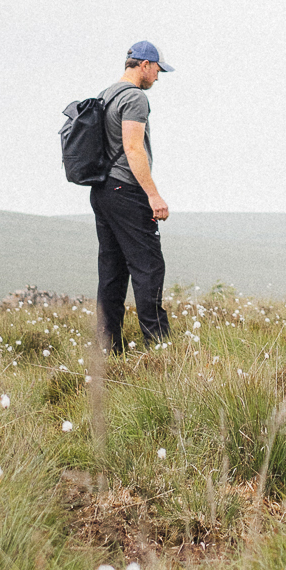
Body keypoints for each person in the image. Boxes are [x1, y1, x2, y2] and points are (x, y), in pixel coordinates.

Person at [92, 40, 174, 354]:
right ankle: (159, 347)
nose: (158, 76)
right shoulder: (135, 98)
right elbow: (133, 147)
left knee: (111, 271)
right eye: (157, 70)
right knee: (148, 266)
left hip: (102, 191)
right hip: (126, 190)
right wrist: (153, 195)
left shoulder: (106, 95)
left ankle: (107, 348)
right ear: (144, 64)